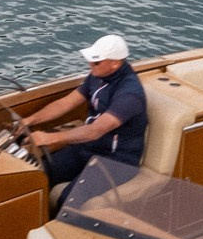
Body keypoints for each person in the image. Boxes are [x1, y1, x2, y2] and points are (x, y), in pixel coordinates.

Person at [25, 33, 149, 191]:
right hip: (89, 148)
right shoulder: (98, 75)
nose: (91, 64)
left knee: (69, 198)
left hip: (116, 160)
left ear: (115, 63)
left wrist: (51, 138)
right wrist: (29, 120)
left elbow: (95, 131)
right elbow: (65, 103)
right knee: (38, 175)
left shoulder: (130, 94)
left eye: (96, 62)